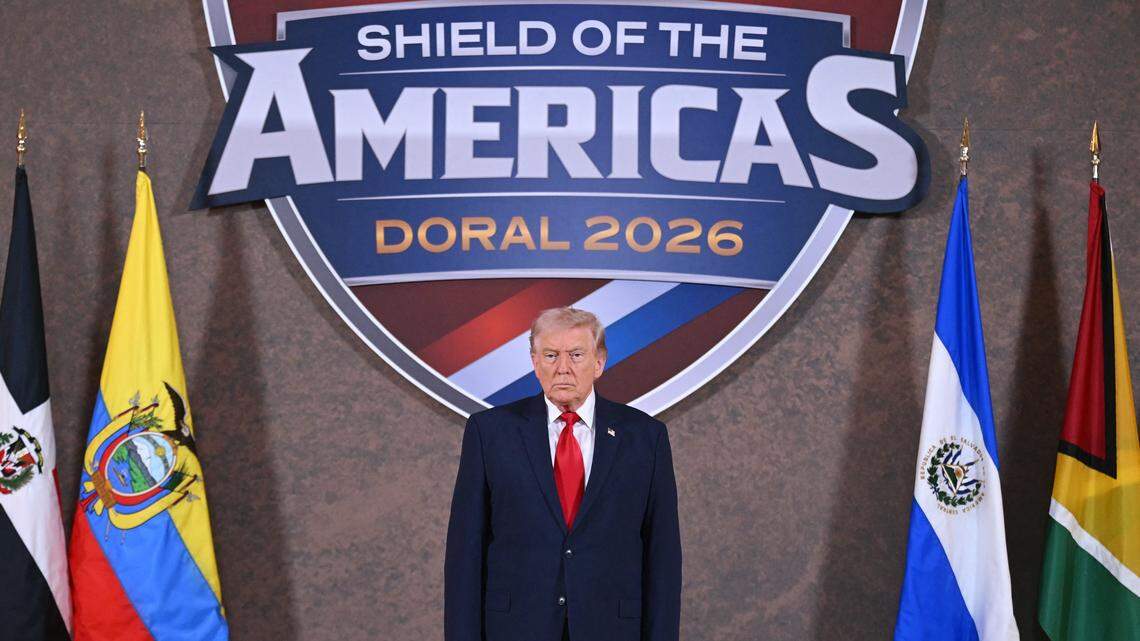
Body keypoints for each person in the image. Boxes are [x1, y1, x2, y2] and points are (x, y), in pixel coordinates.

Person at [444, 307, 682, 641]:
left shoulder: (645, 437)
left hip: (611, 629)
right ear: (534, 362)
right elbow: (465, 555)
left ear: (599, 363)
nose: (563, 368)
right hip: (515, 629)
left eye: (576, 355)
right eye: (551, 355)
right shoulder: (490, 433)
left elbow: (663, 558)